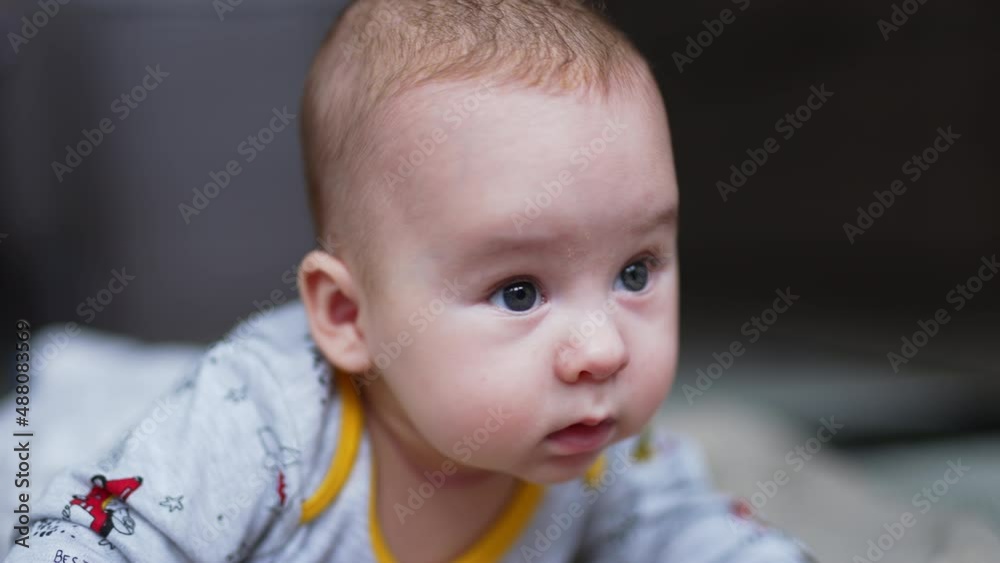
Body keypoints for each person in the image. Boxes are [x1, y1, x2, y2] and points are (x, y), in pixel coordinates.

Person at [6, 1, 816, 561]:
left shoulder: (603, 443)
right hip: (75, 435)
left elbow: (698, 535)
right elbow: (95, 535)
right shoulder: (264, 427)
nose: (602, 348)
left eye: (634, 271)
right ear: (349, 314)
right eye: (520, 291)